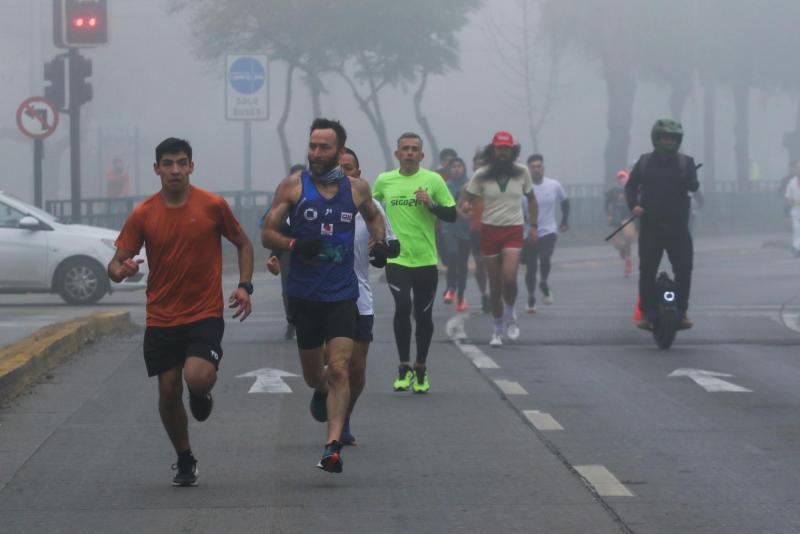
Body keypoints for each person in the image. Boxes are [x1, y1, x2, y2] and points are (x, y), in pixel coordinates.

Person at [108, 137, 254, 487]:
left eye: (182, 163)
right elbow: (114, 266)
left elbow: (243, 243)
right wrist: (121, 270)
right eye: (168, 164)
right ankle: (185, 458)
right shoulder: (144, 213)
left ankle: (201, 393)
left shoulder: (212, 205)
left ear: (191, 166)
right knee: (168, 390)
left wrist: (244, 286)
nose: (175, 170)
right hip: (161, 316)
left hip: (204, 312)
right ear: (157, 169)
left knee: (197, 377)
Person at [261, 119, 387, 473]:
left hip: (342, 293)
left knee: (341, 368)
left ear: (339, 150)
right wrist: (294, 244)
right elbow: (267, 233)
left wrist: (381, 243)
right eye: (312, 146)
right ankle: (320, 389)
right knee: (315, 375)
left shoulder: (357, 189)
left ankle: (332, 447)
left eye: (324, 147)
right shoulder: (293, 186)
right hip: (304, 295)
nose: (316, 153)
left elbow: (375, 217)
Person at [373, 132, 456, 394]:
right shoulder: (384, 180)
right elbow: (369, 209)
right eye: (405, 148)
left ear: (421, 155)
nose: (409, 152)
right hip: (397, 258)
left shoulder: (433, 180)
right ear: (397, 154)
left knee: (423, 314)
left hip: (425, 260)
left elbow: (452, 214)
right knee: (402, 306)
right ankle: (403, 366)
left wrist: (431, 204)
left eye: (414, 149)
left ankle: (420, 366)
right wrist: (375, 239)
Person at [338, 147, 400, 444]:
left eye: (348, 168)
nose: (343, 174)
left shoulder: (370, 205)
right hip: (321, 295)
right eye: (338, 168)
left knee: (356, 365)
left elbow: (391, 248)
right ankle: (324, 391)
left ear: (358, 174)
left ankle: (344, 417)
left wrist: (381, 249)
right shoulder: (312, 201)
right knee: (331, 364)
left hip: (358, 294)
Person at [463, 132, 537, 347]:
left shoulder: (522, 172)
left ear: (512, 151)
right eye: (499, 149)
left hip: (513, 229)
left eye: (506, 149)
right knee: (495, 285)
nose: (503, 152)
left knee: (509, 278)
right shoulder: (482, 174)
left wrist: (533, 226)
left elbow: (532, 199)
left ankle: (511, 314)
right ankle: (497, 329)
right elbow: (468, 198)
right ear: (493, 151)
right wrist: (466, 205)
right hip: (489, 230)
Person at [626, 119, 699, 330]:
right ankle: (647, 313)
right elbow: (631, 186)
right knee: (647, 270)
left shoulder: (687, 162)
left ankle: (682, 311)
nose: (669, 141)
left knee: (684, 269)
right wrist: (634, 205)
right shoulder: (644, 162)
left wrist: (691, 182)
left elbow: (694, 186)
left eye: (673, 138)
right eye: (665, 138)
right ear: (656, 138)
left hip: (678, 227)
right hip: (651, 227)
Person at [521, 154, 569, 312]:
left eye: (539, 166)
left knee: (545, 256)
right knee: (531, 266)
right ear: (528, 170)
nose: (536, 170)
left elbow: (565, 201)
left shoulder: (554, 185)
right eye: (533, 167)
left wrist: (564, 221)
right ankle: (531, 297)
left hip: (548, 230)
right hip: (528, 232)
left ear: (543, 167)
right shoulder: (523, 188)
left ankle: (543, 281)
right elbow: (515, 208)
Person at [265, 164, 306, 340]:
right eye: (295, 178)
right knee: (288, 287)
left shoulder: (318, 199)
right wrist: (274, 255)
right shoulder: (283, 201)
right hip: (287, 248)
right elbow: (273, 230)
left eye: (302, 177)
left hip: (310, 250)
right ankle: (292, 320)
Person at [441, 157, 472, 311]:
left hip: (466, 229)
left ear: (464, 168)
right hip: (449, 228)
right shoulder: (445, 186)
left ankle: (460, 296)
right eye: (454, 166)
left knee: (463, 263)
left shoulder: (471, 185)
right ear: (450, 169)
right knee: (452, 254)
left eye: (460, 166)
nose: (457, 169)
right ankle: (450, 288)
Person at [468, 148, 490, 313]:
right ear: (473, 167)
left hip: (494, 228)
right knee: (480, 264)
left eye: (483, 165)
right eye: (478, 165)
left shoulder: (495, 185)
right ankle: (484, 293)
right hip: (475, 230)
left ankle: (494, 294)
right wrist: (464, 212)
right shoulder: (468, 187)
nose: (480, 168)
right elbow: (460, 207)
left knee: (494, 264)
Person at [605, 170, 636, 277]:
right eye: (620, 178)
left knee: (629, 236)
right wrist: (609, 215)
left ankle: (628, 260)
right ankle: (623, 250)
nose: (622, 180)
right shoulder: (613, 191)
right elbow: (606, 205)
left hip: (628, 218)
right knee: (617, 244)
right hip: (616, 220)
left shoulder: (632, 190)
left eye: (624, 177)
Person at [784, 171, 800, 257]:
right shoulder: (792, 182)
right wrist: (793, 202)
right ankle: (796, 248)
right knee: (797, 229)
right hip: (796, 211)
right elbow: (787, 197)